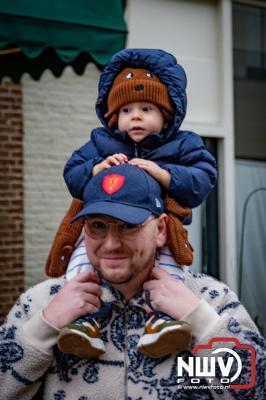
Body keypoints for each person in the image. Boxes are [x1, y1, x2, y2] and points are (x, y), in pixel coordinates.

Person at [0, 164, 265, 400]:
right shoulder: (41, 303)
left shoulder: (211, 300)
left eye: (128, 226)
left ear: (160, 230)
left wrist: (202, 323)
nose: (111, 244)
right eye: (97, 226)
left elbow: (255, 390)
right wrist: (43, 329)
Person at [56, 48, 217, 358]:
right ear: (115, 117)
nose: (136, 116)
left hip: (163, 226)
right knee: (79, 265)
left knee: (170, 273)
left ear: (166, 115)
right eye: (127, 110)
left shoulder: (183, 144)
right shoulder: (100, 143)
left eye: (146, 108)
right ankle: (83, 319)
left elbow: (204, 177)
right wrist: (95, 170)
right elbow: (71, 174)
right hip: (106, 217)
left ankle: (163, 320)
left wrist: (165, 174)